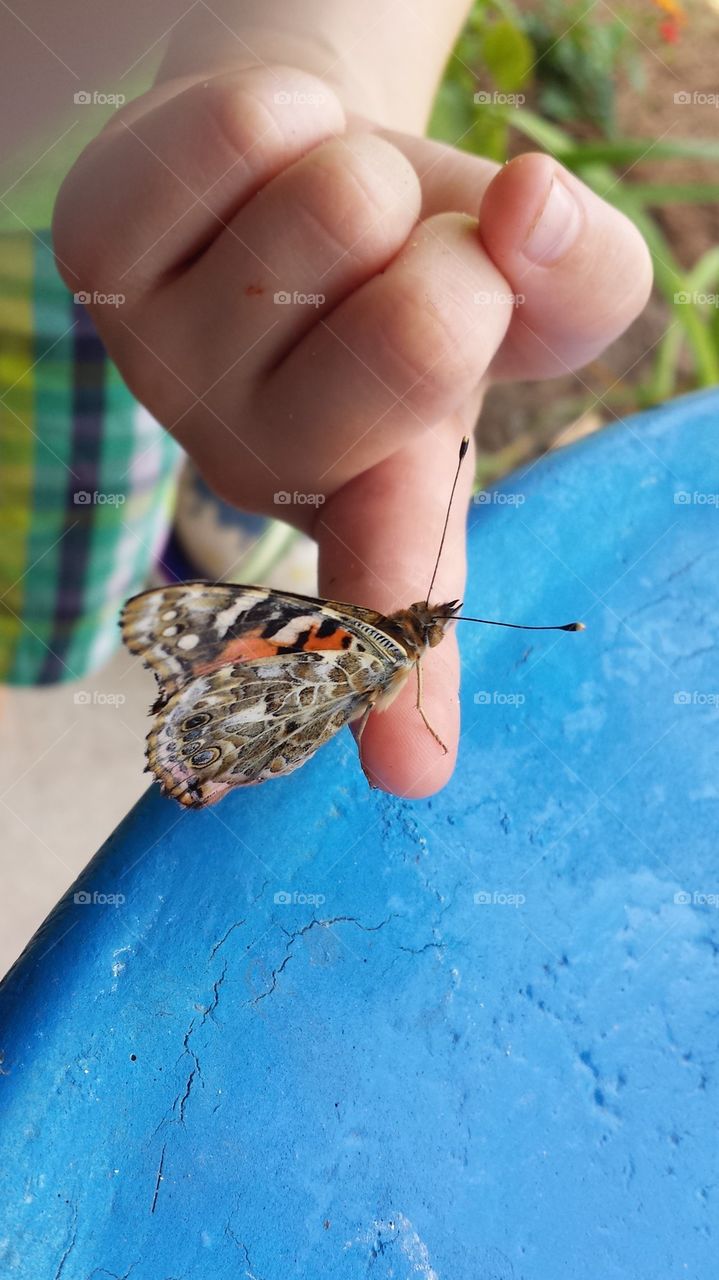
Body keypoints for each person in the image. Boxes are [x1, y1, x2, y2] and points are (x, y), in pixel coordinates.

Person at [1, 0, 652, 795]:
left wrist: (311, 64)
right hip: (61, 243)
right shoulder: (373, 647)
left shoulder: (372, 642)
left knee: (70, 565)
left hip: (107, 226)